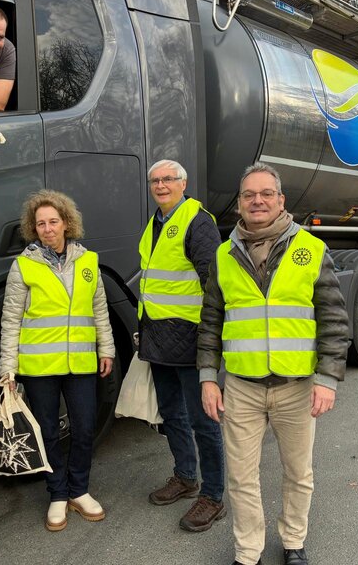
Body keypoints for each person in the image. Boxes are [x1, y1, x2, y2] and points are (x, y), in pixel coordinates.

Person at [197, 163, 349, 565]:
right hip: (242, 387)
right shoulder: (223, 255)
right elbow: (210, 320)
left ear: (281, 200)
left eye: (266, 193)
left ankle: (293, 542)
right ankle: (249, 552)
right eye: (249, 195)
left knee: (298, 473)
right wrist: (208, 378)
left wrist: (328, 378)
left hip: (296, 387)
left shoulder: (310, 249)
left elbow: (333, 319)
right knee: (241, 477)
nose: (258, 201)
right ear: (239, 203)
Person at [0, 189, 115, 532]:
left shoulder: (88, 262)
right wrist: (8, 368)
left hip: (80, 363)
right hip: (39, 367)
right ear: (33, 229)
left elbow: (99, 310)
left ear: (66, 223)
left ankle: (79, 490)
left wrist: (106, 350)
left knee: (85, 427)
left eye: (53, 221)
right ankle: (58, 494)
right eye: (41, 224)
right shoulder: (23, 266)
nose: (48, 228)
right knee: (48, 431)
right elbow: (11, 320)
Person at [138, 159, 226, 532]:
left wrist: (212, 338)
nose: (161, 185)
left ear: (183, 183)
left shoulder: (197, 222)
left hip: (190, 338)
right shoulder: (156, 222)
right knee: (172, 414)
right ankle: (186, 476)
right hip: (159, 338)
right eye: (155, 180)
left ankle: (213, 495)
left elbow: (214, 283)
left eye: (168, 179)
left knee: (203, 420)